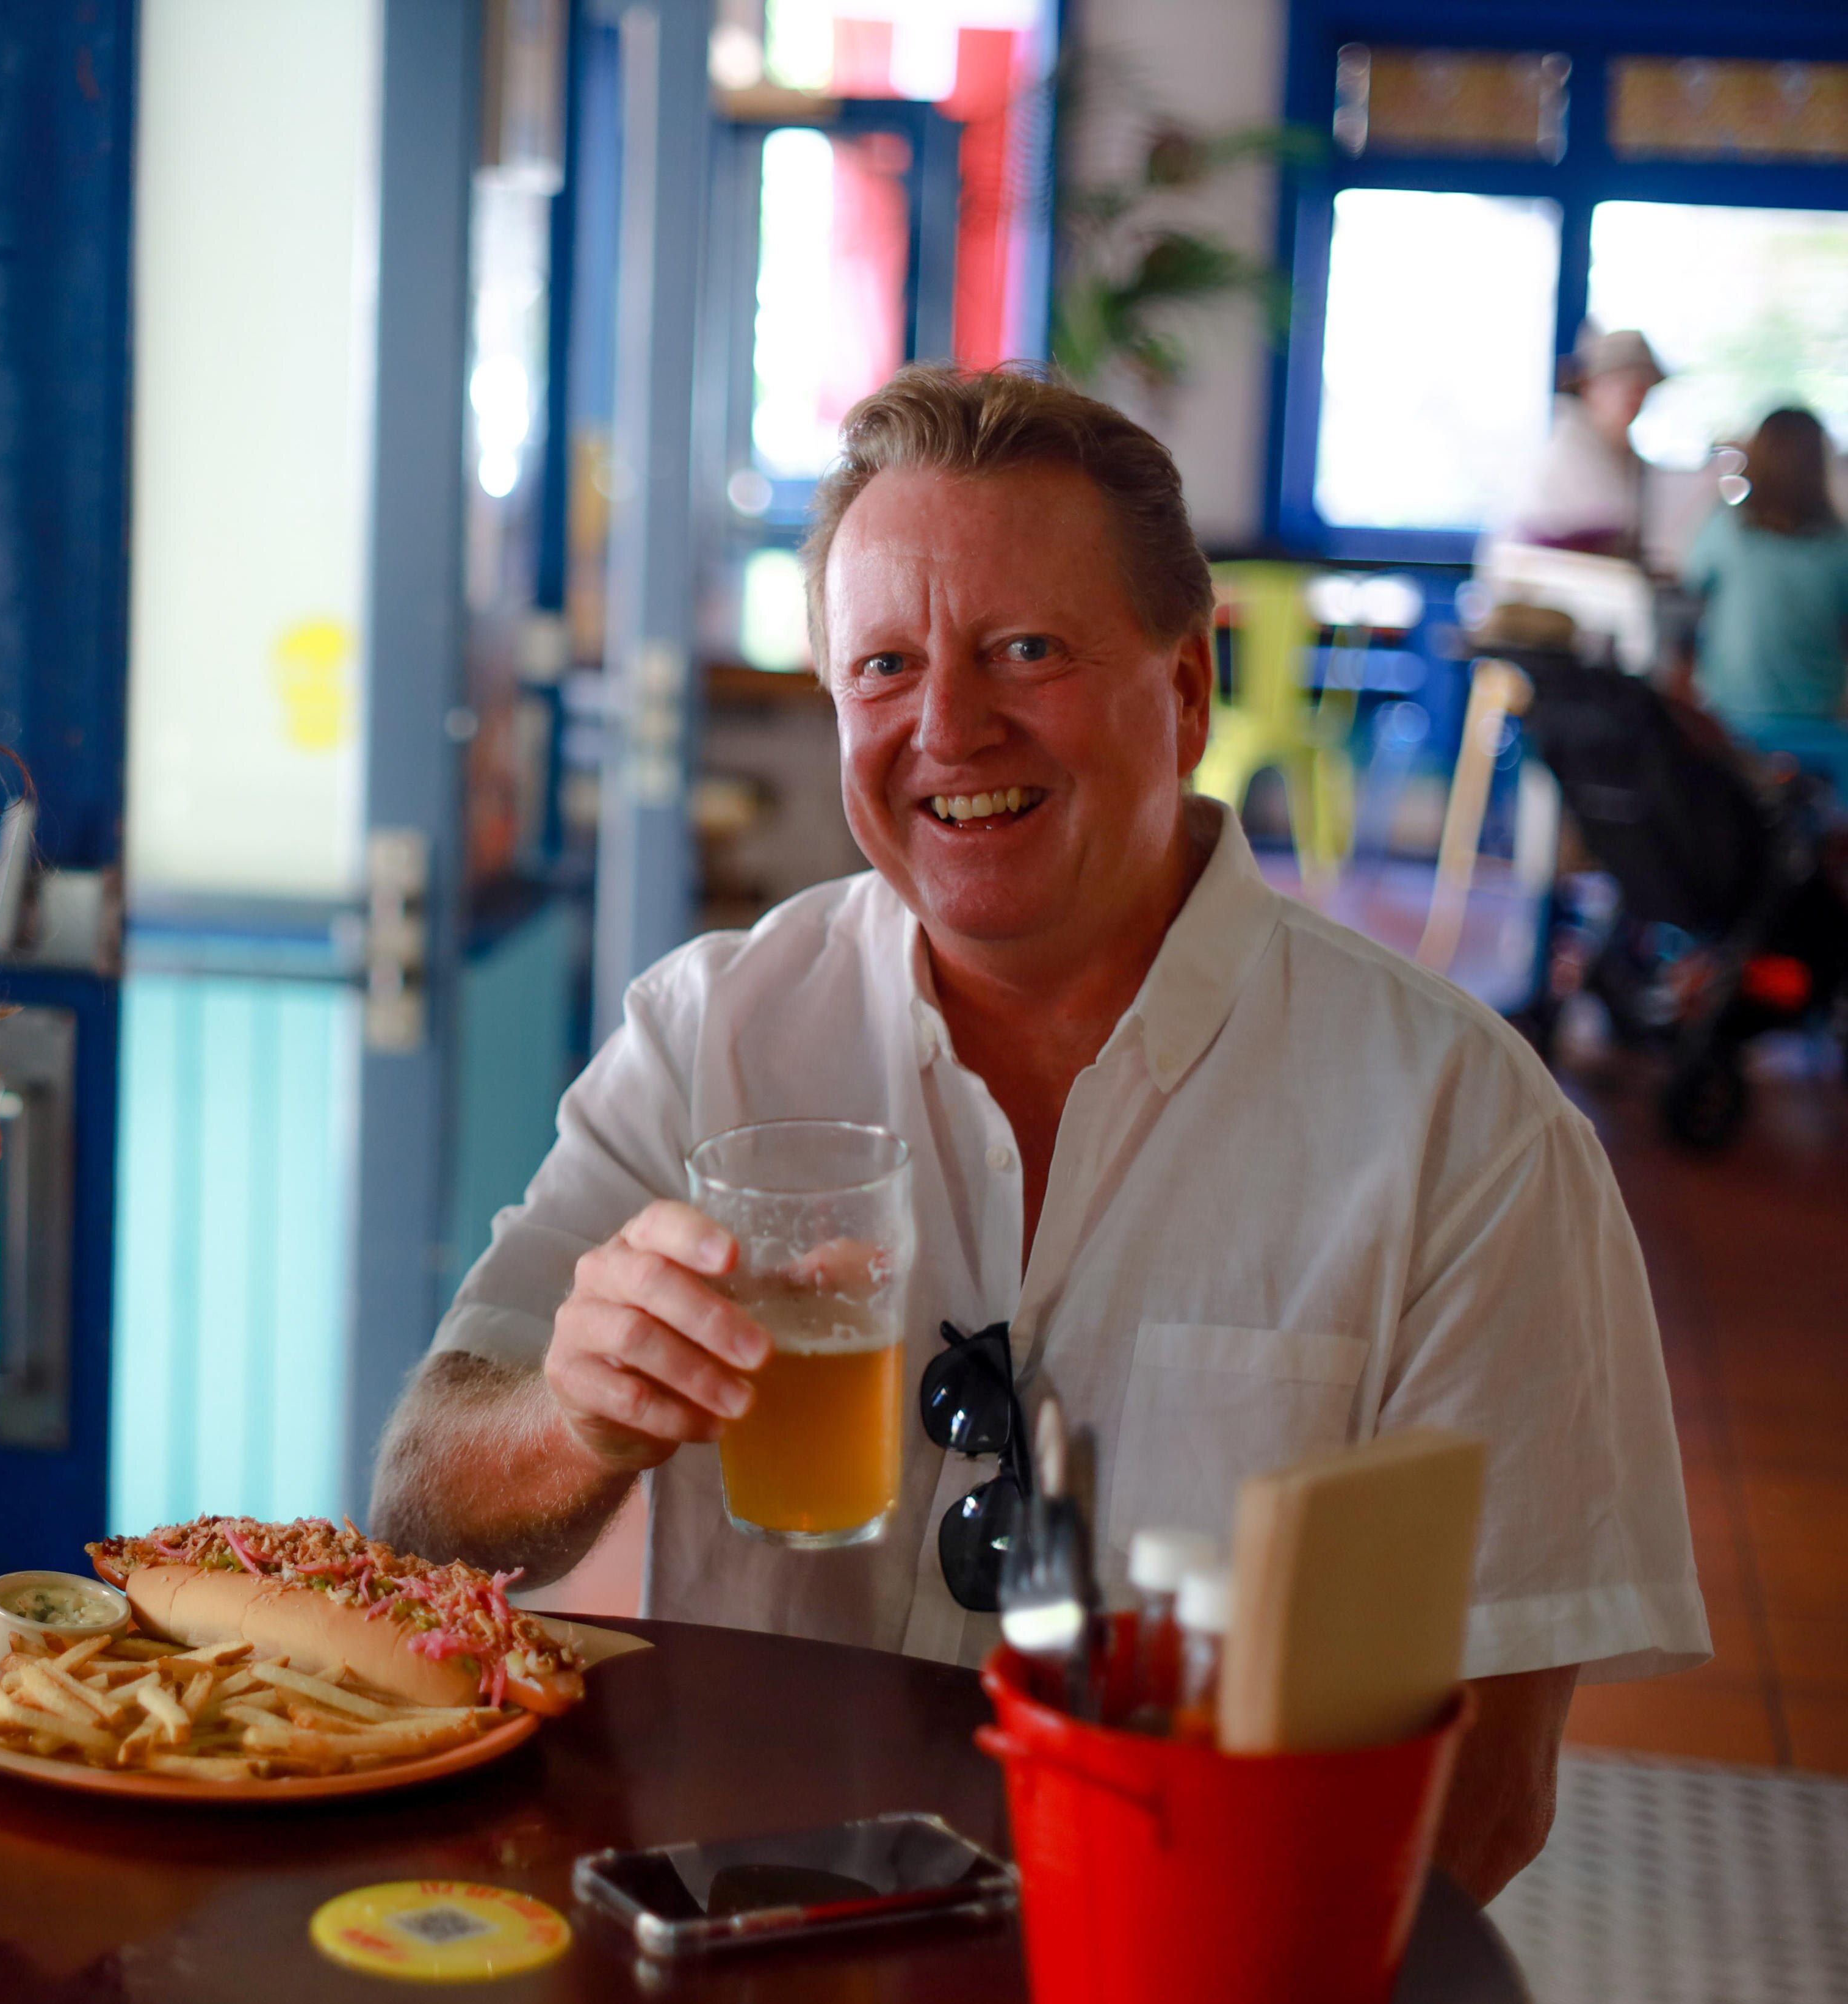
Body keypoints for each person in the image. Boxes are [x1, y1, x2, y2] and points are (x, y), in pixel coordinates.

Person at [371, 366, 1706, 1905]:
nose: (948, 725)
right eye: (882, 665)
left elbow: (1487, 1794)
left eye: (1025, 649)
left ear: (1187, 691)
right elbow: (427, 1501)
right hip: (734, 1959)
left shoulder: (1464, 1134)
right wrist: (576, 1420)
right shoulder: (713, 1033)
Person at [1680, 406, 1848, 764]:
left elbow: (1689, 577)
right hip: (1819, 723)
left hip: (1729, 722)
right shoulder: (1841, 547)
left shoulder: (1727, 528)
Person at [1503, 325, 1664, 559]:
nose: (1634, 395)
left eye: (1643, 386)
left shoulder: (1626, 456)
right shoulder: (1568, 452)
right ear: (1588, 386)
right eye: (1622, 382)